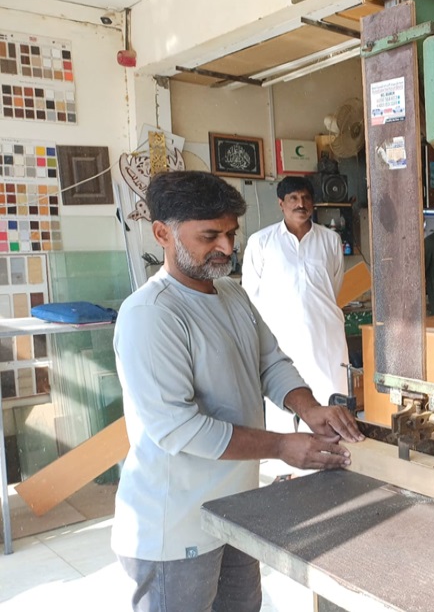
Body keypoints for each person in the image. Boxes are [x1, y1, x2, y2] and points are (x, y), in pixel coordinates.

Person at [112, 170, 364, 612]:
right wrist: (282, 446)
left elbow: (271, 363)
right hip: (176, 529)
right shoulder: (151, 314)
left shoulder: (232, 294)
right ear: (162, 234)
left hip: (235, 511)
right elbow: (179, 429)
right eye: (210, 236)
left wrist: (309, 409)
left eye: (231, 233)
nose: (227, 248)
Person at [243, 176, 349, 433]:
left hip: (325, 335)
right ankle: (286, 457)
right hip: (281, 339)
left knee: (332, 398)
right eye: (293, 198)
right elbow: (250, 295)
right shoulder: (261, 242)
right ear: (281, 203)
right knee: (283, 403)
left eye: (306, 198)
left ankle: (334, 449)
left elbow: (333, 286)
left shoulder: (330, 240)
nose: (301, 204)